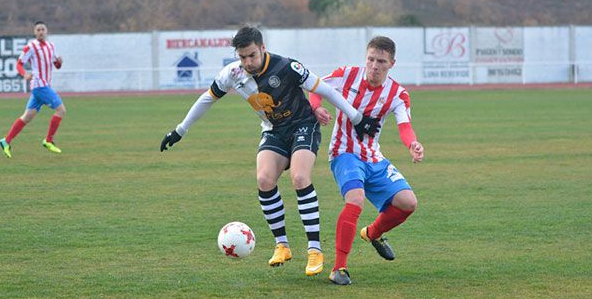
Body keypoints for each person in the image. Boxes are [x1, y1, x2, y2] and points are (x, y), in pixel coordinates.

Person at [160, 26, 379, 276]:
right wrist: (180, 130)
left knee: (300, 177)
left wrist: (356, 117)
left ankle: (315, 249)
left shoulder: (287, 67)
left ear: (263, 48)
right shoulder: (232, 73)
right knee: (264, 180)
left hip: (303, 125)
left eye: (252, 55)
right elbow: (207, 99)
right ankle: (282, 245)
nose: (247, 62)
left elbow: (324, 89)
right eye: (242, 57)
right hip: (273, 130)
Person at [309, 36, 424, 285]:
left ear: (391, 63)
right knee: (356, 199)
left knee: (408, 202)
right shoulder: (346, 75)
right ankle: (339, 268)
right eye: (370, 59)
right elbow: (315, 88)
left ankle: (372, 233)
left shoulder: (398, 94)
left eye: (381, 61)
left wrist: (412, 144)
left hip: (373, 157)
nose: (374, 66)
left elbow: (405, 127)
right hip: (344, 153)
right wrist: (316, 108)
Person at [0, 21, 65, 158]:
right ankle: (48, 141)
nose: (41, 32)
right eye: (38, 30)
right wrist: (24, 74)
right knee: (61, 110)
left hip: (44, 85)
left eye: (43, 29)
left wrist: (60, 62)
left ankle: (6, 141)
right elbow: (19, 64)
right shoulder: (31, 47)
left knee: (27, 117)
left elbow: (56, 65)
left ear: (46, 31)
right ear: (35, 32)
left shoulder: (51, 46)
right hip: (39, 85)